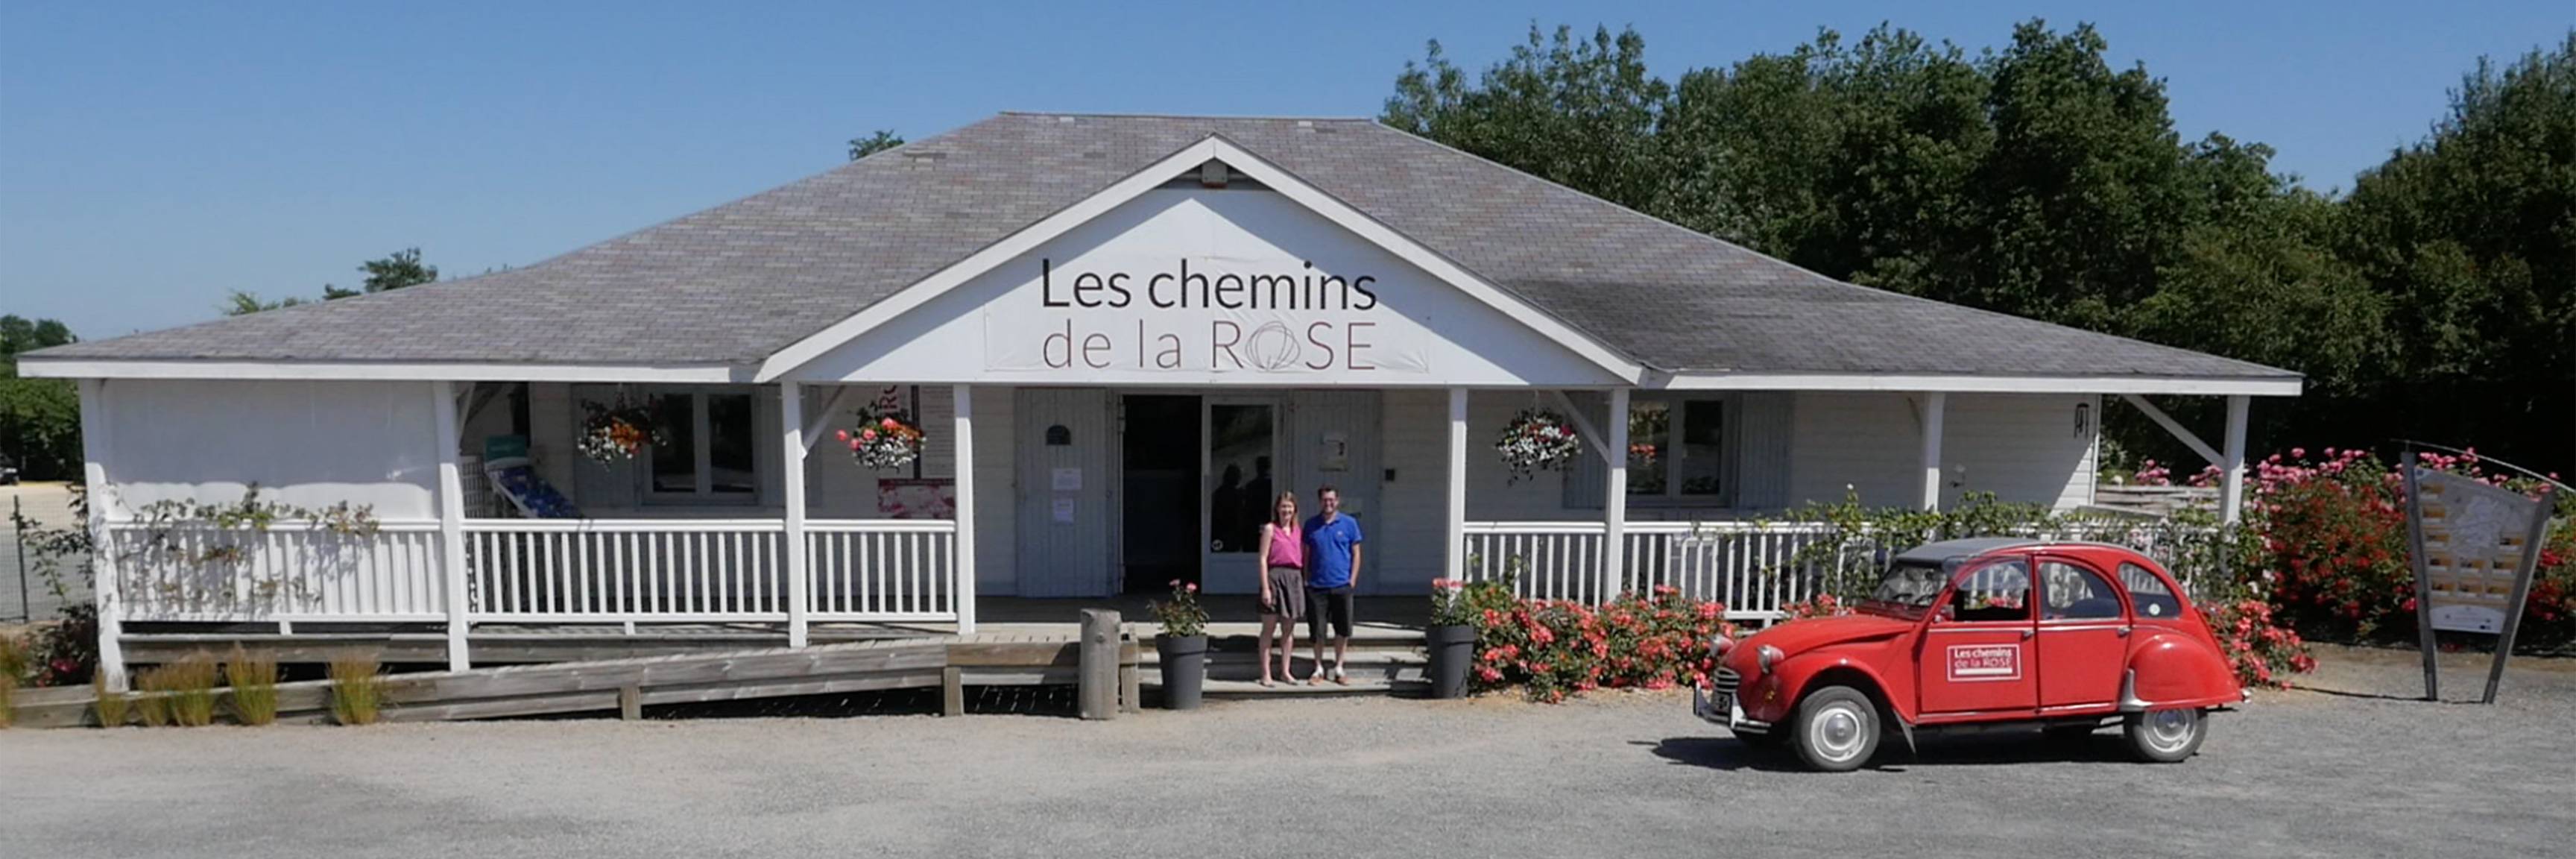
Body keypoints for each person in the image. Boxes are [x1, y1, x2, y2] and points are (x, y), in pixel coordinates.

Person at [1303, 485, 1363, 685]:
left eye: (1332, 500)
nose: (1328, 503)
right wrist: (1306, 579)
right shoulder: (1311, 525)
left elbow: (1356, 554)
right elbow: (1306, 555)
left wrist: (1352, 580)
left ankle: (1339, 667)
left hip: (1341, 585)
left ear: (1337, 501)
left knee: (1342, 628)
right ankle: (1318, 668)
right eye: (1324, 500)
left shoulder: (1349, 524)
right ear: (1319, 501)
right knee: (1318, 630)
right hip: (1317, 586)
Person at [1255, 491, 1304, 687]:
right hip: (1274, 578)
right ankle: (1266, 674)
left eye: (1290, 507)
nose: (1286, 510)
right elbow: (1262, 559)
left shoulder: (1298, 530)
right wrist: (1266, 588)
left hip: (1294, 579)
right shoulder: (1269, 529)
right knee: (1269, 628)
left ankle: (1285, 671)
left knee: (1288, 629)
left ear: (1295, 509)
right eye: (1283, 506)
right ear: (1277, 508)